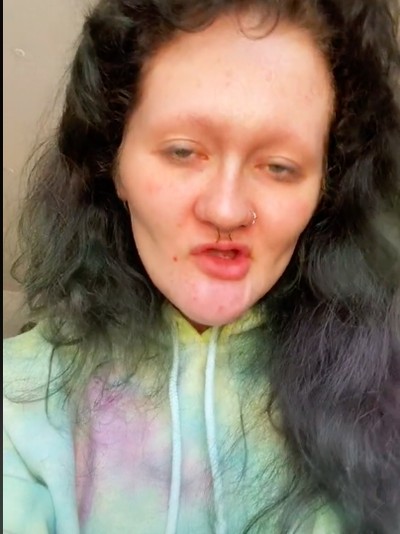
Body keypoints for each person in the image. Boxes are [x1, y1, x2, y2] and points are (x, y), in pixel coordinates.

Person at [3, 0, 400, 533]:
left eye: (279, 166)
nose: (227, 209)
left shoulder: (387, 393)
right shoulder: (16, 404)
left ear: (326, 191)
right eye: (184, 152)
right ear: (114, 162)